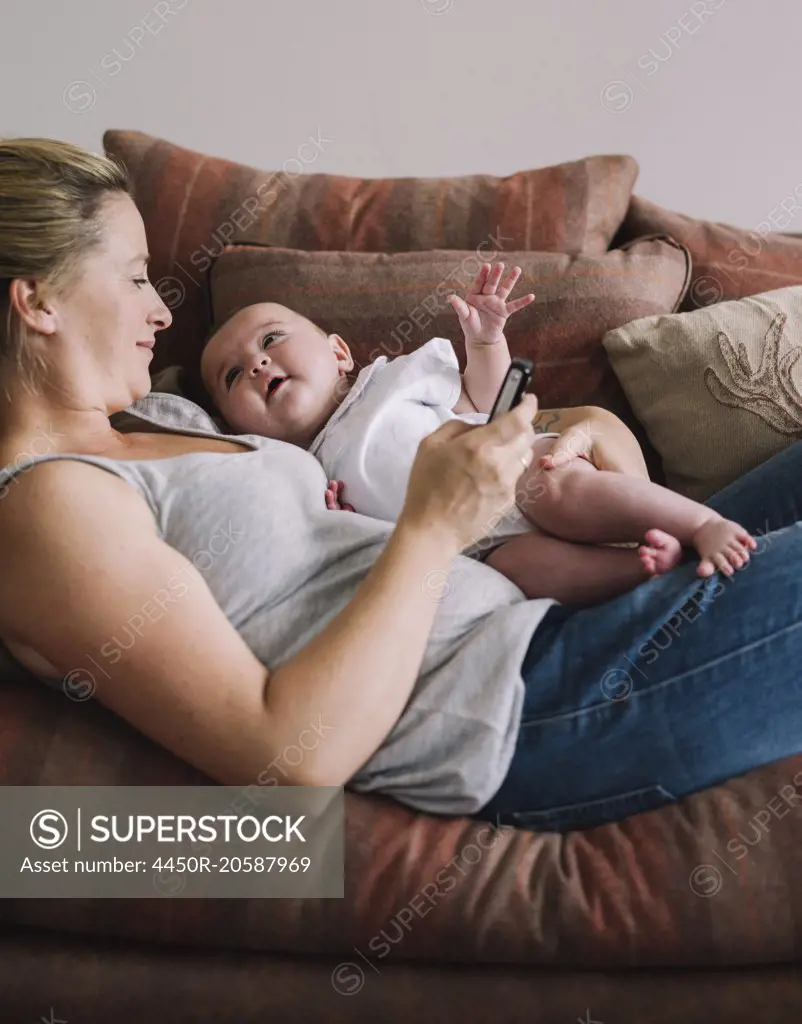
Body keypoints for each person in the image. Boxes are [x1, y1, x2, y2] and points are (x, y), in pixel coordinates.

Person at [0, 139, 801, 835]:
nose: (161, 311)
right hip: (529, 701)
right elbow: (284, 760)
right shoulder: (45, 509)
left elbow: (527, 424)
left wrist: (590, 437)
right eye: (137, 278)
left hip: (557, 610)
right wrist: (432, 528)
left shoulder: (164, 412)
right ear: (37, 302)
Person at [199, 264, 756, 605]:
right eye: (232, 375)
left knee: (560, 490)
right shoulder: (300, 472)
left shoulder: (391, 380)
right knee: (523, 573)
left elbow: (485, 400)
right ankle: (641, 571)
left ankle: (701, 522)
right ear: (235, 425)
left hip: (515, 474)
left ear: (339, 353)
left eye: (272, 339)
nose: (256, 364)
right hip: (478, 549)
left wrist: (487, 341)